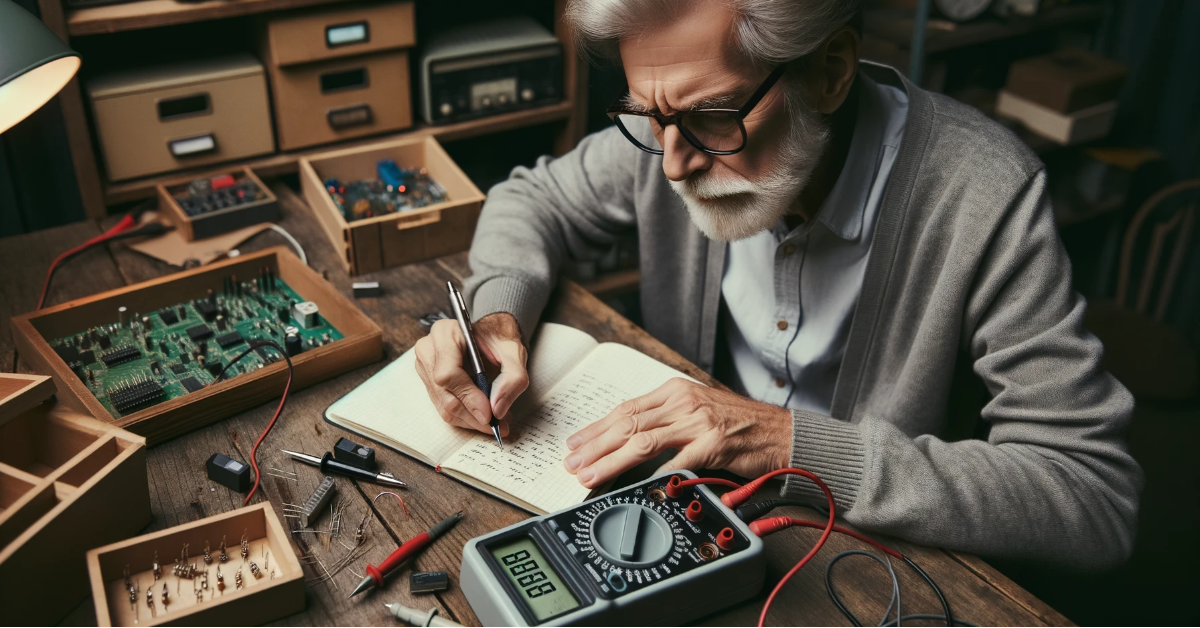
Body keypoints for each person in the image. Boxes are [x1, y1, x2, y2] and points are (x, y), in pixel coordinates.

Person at [413, 0, 1141, 569]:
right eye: (649, 118)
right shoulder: (677, 123)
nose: (671, 166)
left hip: (873, 558)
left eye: (713, 117)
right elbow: (530, 200)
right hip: (693, 512)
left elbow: (1091, 496)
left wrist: (790, 443)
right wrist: (498, 319)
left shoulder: (983, 191)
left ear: (829, 71)